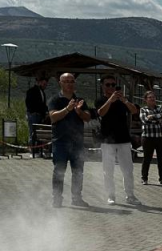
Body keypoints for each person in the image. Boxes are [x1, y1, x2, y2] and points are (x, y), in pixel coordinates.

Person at [48, 72, 93, 208]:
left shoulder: (80, 100)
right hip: (60, 142)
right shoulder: (55, 99)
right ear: (60, 83)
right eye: (66, 81)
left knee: (78, 172)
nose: (69, 84)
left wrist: (79, 111)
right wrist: (67, 109)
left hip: (77, 143)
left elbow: (88, 118)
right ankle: (57, 198)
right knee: (59, 171)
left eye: (72, 81)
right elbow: (53, 117)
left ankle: (76, 198)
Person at [95, 77, 139, 206]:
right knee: (108, 170)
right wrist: (110, 100)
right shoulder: (100, 100)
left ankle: (130, 195)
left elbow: (134, 111)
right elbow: (101, 113)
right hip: (107, 141)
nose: (111, 87)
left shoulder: (122, 100)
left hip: (123, 139)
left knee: (128, 170)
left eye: (113, 85)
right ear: (102, 86)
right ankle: (111, 196)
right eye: (108, 84)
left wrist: (124, 100)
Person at [138, 90, 162, 186]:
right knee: (147, 159)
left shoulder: (160, 107)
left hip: (161, 138)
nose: (152, 99)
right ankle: (144, 178)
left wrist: (152, 116)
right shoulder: (143, 110)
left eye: (153, 97)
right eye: (150, 97)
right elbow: (145, 120)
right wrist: (157, 120)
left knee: (161, 160)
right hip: (148, 138)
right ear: (145, 99)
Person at [25, 74, 50, 157]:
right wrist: (32, 112)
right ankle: (33, 150)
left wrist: (46, 111)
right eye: (44, 84)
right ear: (39, 82)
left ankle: (38, 149)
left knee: (39, 133)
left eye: (46, 84)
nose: (45, 86)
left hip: (40, 115)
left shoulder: (42, 92)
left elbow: (43, 104)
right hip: (34, 114)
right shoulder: (32, 91)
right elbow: (30, 103)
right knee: (33, 133)